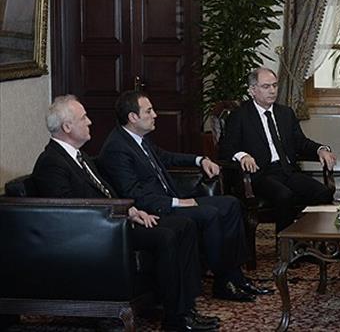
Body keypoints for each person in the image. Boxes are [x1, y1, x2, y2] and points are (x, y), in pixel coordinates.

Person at [32, 95, 218, 332]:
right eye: (83, 118)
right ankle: (176, 318)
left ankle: (186, 307)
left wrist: (131, 210)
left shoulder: (81, 155)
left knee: (184, 225)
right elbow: (67, 211)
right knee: (166, 235)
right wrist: (121, 214)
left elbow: (104, 190)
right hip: (92, 233)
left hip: (112, 223)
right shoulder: (52, 162)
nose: (90, 122)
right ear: (67, 127)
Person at [98, 90, 271, 303]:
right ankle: (224, 281)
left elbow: (167, 157)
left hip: (172, 200)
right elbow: (133, 195)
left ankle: (235, 276)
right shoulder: (117, 148)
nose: (155, 115)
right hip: (157, 209)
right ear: (133, 117)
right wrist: (178, 202)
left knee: (231, 204)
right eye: (149, 111)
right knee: (210, 213)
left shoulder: (139, 139)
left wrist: (200, 159)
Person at [217, 67, 337, 232]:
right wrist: (243, 156)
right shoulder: (240, 116)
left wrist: (320, 150)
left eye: (274, 85)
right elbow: (226, 148)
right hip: (260, 174)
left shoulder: (285, 113)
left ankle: (311, 239)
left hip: (287, 171)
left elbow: (300, 142)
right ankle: (285, 242)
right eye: (266, 86)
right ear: (252, 90)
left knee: (323, 192)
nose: (272, 90)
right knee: (284, 195)